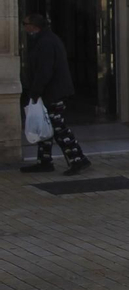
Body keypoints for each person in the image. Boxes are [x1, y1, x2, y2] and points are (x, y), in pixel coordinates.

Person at [20, 14, 90, 175]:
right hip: (49, 92)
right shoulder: (44, 40)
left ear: (34, 26)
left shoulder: (46, 42)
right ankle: (44, 161)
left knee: (58, 128)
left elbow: (44, 71)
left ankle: (78, 159)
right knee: (44, 127)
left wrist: (36, 92)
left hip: (53, 93)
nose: (24, 27)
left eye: (25, 24)